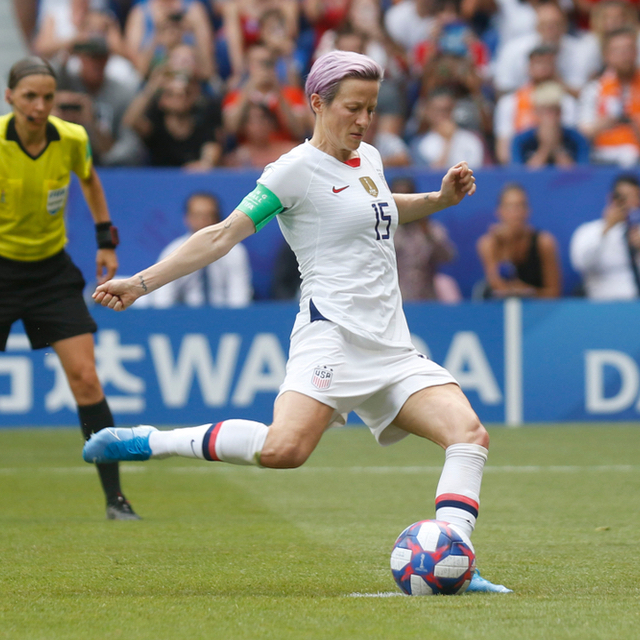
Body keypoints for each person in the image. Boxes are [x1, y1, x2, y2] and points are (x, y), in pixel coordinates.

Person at [84, 50, 511, 593]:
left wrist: (439, 199)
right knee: (283, 451)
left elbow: (381, 206)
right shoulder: (292, 172)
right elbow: (221, 235)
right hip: (330, 338)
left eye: (372, 109)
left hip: (391, 345)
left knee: (468, 434)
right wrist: (141, 283)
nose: (363, 121)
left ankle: (456, 558)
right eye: (353, 109)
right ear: (318, 103)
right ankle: (150, 441)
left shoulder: (370, 159)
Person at [0, 56, 139, 520]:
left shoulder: (72, 139)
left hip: (50, 275)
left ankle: (115, 500)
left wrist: (105, 240)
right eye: (29, 98)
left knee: (86, 379)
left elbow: (90, 180)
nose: (39, 107)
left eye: (47, 97)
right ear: (10, 99)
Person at [147, 192, 253, 307]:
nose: (203, 221)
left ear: (218, 217)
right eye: (197, 215)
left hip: (224, 317)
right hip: (184, 319)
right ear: (187, 218)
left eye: (209, 215)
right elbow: (162, 299)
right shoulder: (172, 252)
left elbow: (239, 297)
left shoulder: (234, 251)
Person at [122, 66, 223, 169]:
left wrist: (206, 163)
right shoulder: (155, 122)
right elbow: (131, 121)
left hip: (190, 180)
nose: (180, 97)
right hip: (159, 181)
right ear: (162, 100)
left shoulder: (202, 119)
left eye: (185, 93)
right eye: (171, 94)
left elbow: (211, 149)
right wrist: (151, 88)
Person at [476, 183, 562, 299]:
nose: (516, 213)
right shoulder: (488, 244)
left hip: (539, 311)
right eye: (510, 207)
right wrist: (506, 244)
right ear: (499, 211)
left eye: (521, 206)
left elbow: (554, 293)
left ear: (528, 211)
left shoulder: (544, 242)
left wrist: (527, 292)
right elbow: (499, 287)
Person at [570, 173, 640, 299]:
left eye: (634, 197)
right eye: (622, 198)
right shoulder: (589, 231)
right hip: (603, 306)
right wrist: (605, 230)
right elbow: (581, 264)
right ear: (611, 199)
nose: (629, 203)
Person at [578, 27, 640, 167]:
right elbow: (583, 132)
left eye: (629, 49)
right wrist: (603, 124)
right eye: (618, 50)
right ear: (607, 55)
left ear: (636, 52)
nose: (625, 55)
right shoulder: (594, 89)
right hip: (602, 157)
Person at [510, 81, 590, 167]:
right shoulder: (520, 141)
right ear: (536, 112)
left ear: (561, 112)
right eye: (546, 111)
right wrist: (545, 147)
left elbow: (580, 176)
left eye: (555, 111)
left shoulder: (577, 139)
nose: (551, 116)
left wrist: (557, 148)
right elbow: (522, 176)